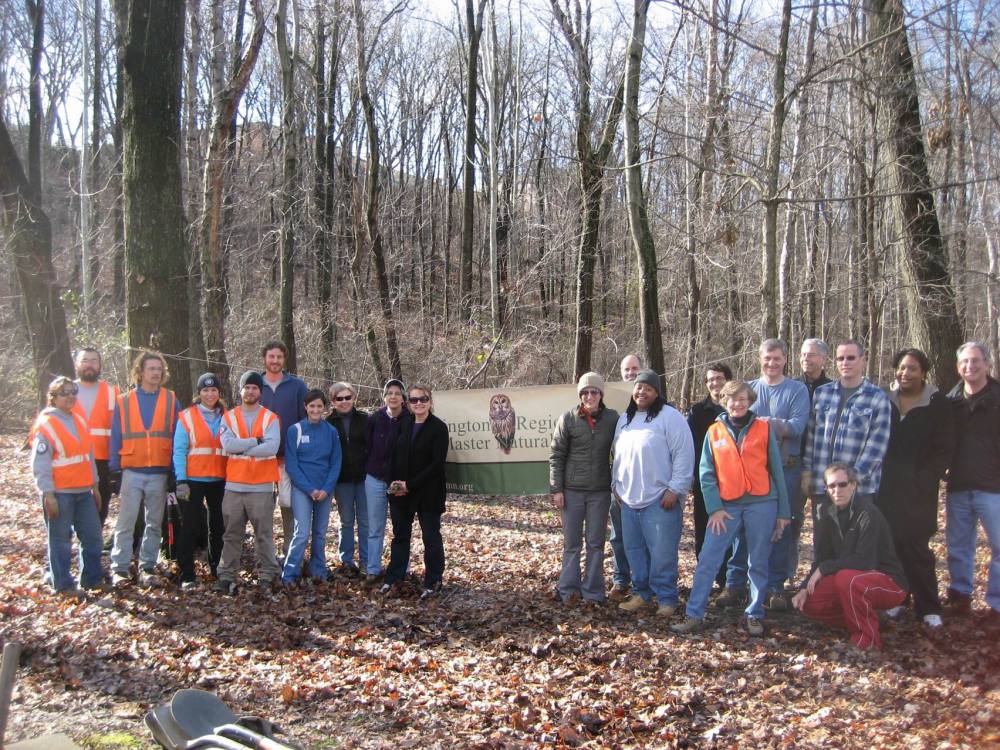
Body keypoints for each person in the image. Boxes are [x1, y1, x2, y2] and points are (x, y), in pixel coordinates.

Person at [672, 381, 789, 636]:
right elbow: (706, 474)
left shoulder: (763, 428)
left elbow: (777, 471)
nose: (737, 404)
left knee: (757, 561)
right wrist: (714, 508)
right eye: (732, 399)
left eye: (742, 399)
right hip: (726, 506)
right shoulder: (714, 432)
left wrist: (783, 512)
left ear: (750, 401)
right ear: (724, 401)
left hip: (762, 502)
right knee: (708, 560)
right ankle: (694, 614)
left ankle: (754, 613)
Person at [722, 340, 809, 611]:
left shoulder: (797, 390)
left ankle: (774, 587)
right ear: (760, 359)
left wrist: (763, 423)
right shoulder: (749, 389)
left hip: (786, 469)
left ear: (785, 359)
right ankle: (735, 584)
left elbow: (796, 427)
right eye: (767, 358)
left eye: (777, 358)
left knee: (781, 527)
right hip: (752, 471)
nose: (771, 363)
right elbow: (736, 423)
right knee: (743, 528)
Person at [875, 349, 954, 629]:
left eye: (912, 369)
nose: (905, 373)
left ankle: (929, 605)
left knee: (916, 545)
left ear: (923, 372)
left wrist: (927, 476)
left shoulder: (937, 403)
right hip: (886, 486)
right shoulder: (884, 399)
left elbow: (945, 447)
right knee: (892, 544)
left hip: (920, 488)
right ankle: (898, 598)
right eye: (901, 368)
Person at [792, 463, 907, 651]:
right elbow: (822, 558)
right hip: (851, 579)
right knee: (809, 603)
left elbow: (865, 561)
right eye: (831, 486)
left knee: (847, 578)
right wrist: (804, 587)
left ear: (853, 485)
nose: (837, 490)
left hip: (889, 582)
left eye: (842, 484)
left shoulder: (868, 513)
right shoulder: (826, 514)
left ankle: (866, 638)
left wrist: (824, 569)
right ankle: (870, 617)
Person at [611, 370, 694, 616]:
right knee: (634, 550)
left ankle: (667, 598)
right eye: (638, 387)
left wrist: (675, 489)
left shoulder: (671, 417)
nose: (641, 392)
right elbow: (617, 455)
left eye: (648, 388)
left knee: (662, 553)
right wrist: (615, 484)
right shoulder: (625, 419)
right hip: (628, 499)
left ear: (657, 392)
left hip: (660, 499)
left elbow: (684, 455)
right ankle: (642, 593)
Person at [109, 350, 179, 588]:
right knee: (126, 522)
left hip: (159, 472)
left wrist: (174, 471)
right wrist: (114, 469)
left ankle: (147, 567)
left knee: (154, 523)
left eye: (159, 369)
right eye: (151, 369)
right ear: (140, 372)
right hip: (132, 471)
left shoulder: (171, 399)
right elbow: (116, 436)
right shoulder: (124, 401)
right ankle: (119, 568)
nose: (156, 373)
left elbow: (177, 436)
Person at [31, 376, 105, 597]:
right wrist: (48, 494)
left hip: (84, 491)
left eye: (73, 392)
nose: (71, 396)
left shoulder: (79, 420)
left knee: (93, 537)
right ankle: (62, 585)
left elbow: (88, 456)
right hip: (60, 493)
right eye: (65, 393)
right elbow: (40, 464)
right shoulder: (46, 424)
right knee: (60, 541)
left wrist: (96, 485)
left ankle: (92, 580)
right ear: (53, 397)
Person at [549, 372, 620, 604]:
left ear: (601, 394)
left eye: (594, 392)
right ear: (580, 395)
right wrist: (556, 489)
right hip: (571, 491)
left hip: (600, 491)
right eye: (585, 392)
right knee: (571, 543)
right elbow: (556, 455)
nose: (590, 396)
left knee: (596, 543)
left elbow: (621, 453)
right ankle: (568, 589)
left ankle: (593, 592)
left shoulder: (612, 419)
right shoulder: (568, 418)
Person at [943, 341, 1000, 624]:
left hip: (994, 487)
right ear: (958, 367)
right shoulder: (950, 401)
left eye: (976, 361)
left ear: (987, 364)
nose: (970, 366)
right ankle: (960, 595)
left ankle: (996, 604)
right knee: (958, 545)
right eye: (965, 362)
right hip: (959, 485)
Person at [802, 340, 892, 511]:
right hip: (823, 487)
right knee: (823, 539)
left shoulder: (877, 397)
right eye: (840, 358)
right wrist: (807, 471)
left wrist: (850, 480)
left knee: (857, 538)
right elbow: (811, 439)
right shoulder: (822, 394)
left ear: (863, 360)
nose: (845, 363)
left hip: (859, 490)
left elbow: (876, 448)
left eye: (850, 358)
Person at [215, 371, 282, 594]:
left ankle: (268, 574)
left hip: (261, 486)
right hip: (234, 485)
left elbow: (271, 448)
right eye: (247, 387)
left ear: (260, 392)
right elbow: (227, 445)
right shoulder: (229, 417)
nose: (250, 391)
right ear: (241, 390)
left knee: (263, 534)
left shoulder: (270, 418)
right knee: (231, 534)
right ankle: (226, 576)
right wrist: (255, 442)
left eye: (254, 388)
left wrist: (242, 446)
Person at [380, 384, 449, 599]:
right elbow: (391, 455)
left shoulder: (438, 427)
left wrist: (410, 484)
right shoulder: (404, 423)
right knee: (400, 536)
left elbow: (436, 464)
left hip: (428, 492)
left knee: (431, 537)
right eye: (414, 400)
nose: (418, 403)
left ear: (430, 401)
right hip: (401, 493)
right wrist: (394, 484)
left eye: (423, 399)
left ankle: (433, 580)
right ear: (408, 403)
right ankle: (394, 577)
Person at [172, 373, 228, 589]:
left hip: (219, 478)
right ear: (199, 393)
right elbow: (179, 450)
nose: (210, 394)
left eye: (214, 390)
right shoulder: (186, 416)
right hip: (193, 479)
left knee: (218, 525)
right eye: (205, 390)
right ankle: (187, 573)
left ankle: (217, 568)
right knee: (190, 526)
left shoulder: (227, 416)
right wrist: (181, 480)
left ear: (219, 393)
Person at [282, 389, 342, 585]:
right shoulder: (295, 430)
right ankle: (290, 574)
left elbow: (336, 463)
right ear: (305, 407)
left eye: (319, 406)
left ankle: (318, 570)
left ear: (324, 408)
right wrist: (310, 489)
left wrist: (325, 488)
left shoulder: (331, 431)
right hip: (303, 489)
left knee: (320, 533)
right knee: (302, 532)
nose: (315, 409)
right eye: (312, 406)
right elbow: (292, 464)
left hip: (325, 489)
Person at [257, 340, 308, 559]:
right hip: (261, 459)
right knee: (262, 511)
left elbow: (305, 422)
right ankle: (267, 558)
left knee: (289, 509)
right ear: (264, 358)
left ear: (284, 359)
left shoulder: (297, 386)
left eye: (279, 357)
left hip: (289, 459)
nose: (275, 360)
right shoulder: (254, 385)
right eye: (271, 356)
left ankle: (291, 556)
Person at [686, 362, 732, 589]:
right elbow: (691, 446)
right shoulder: (697, 412)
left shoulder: (736, 409)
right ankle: (707, 576)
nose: (715, 383)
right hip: (705, 481)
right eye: (711, 379)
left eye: (719, 378)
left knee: (730, 529)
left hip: (733, 483)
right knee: (704, 528)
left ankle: (728, 579)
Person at [363, 379, 408, 582]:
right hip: (374, 478)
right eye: (389, 393)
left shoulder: (410, 419)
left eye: (397, 393)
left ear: (403, 397)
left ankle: (400, 569)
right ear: (384, 396)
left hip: (399, 481)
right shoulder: (374, 419)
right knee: (375, 527)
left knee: (401, 527)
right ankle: (373, 569)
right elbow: (367, 446)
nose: (393, 396)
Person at [72, 348, 119, 528]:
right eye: (85, 360)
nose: (89, 364)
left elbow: (120, 428)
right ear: (77, 364)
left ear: (99, 365)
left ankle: (93, 542)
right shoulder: (66, 390)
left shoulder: (112, 392)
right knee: (72, 503)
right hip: (72, 458)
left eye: (93, 360)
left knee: (101, 503)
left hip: (102, 459)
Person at [327, 382, 370, 576]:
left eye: (347, 397)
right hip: (341, 479)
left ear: (353, 398)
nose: (344, 402)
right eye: (339, 398)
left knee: (365, 520)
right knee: (346, 521)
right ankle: (347, 559)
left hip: (364, 478)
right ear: (333, 401)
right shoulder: (328, 423)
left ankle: (367, 560)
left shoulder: (365, 420)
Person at [608, 354, 642, 599]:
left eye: (635, 369)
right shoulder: (612, 401)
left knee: (645, 538)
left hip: (647, 485)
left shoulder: (655, 402)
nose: (630, 373)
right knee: (618, 535)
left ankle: (645, 582)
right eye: (626, 369)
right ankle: (621, 579)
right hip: (618, 483)